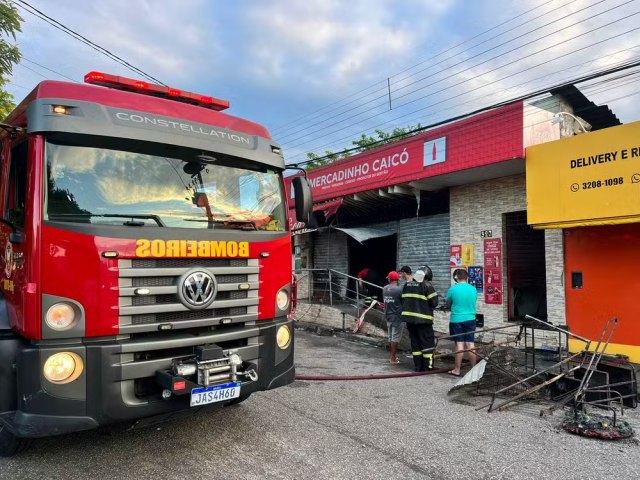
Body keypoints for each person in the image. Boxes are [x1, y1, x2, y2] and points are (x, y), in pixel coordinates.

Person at [400, 265, 439, 372]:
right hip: (424, 321)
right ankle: (428, 367)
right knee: (427, 344)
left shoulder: (407, 285)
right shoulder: (427, 285)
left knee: (415, 344)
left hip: (410, 321)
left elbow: (402, 300)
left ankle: (418, 367)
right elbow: (434, 303)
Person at [445, 269, 478, 376]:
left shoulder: (453, 289)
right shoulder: (473, 289)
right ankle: (474, 370)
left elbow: (448, 303)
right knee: (470, 344)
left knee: (459, 345)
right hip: (471, 319)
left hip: (456, 320)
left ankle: (457, 370)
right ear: (467, 277)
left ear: (456, 278)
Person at [382, 271, 403, 365]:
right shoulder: (399, 290)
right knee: (395, 338)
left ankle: (392, 356)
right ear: (397, 279)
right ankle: (393, 358)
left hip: (388, 315)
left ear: (390, 279)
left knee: (391, 336)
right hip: (397, 316)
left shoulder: (384, 288)